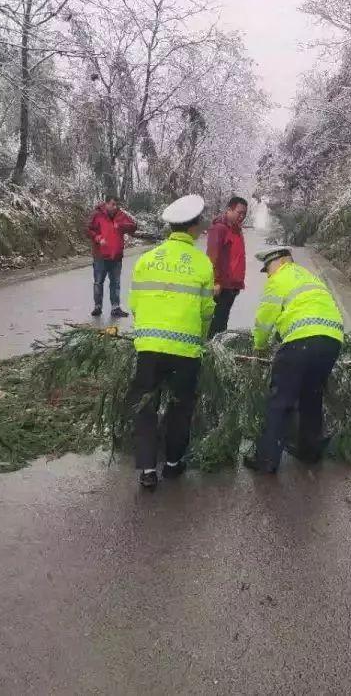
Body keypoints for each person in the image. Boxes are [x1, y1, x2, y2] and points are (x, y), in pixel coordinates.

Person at [126, 194, 216, 490]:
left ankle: (148, 470)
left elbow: (135, 305)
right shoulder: (203, 265)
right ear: (193, 228)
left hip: (149, 349)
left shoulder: (146, 260)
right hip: (186, 352)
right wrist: (200, 341)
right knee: (180, 408)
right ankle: (174, 464)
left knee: (146, 406)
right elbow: (206, 313)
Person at [245, 247, 345, 473]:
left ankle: (267, 460)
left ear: (279, 262)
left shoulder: (278, 279)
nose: (268, 275)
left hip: (301, 341)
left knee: (280, 401)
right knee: (312, 396)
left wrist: (259, 346)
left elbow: (264, 320)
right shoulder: (310, 277)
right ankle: (309, 452)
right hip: (331, 340)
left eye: (268, 269)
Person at [87, 195, 137, 318]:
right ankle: (97, 307)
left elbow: (133, 227)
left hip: (116, 256)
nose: (115, 207)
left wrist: (121, 226)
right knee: (98, 282)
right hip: (100, 256)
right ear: (106, 204)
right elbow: (88, 229)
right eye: (113, 204)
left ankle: (115, 308)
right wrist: (98, 238)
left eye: (116, 205)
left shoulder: (121, 215)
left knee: (115, 283)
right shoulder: (97, 215)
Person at [206, 196, 248, 337]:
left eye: (244, 214)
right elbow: (212, 256)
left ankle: (216, 349)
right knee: (217, 323)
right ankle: (211, 352)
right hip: (221, 286)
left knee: (222, 321)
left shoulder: (236, 230)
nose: (241, 216)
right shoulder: (219, 229)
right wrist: (216, 282)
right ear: (229, 209)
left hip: (232, 286)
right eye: (239, 212)